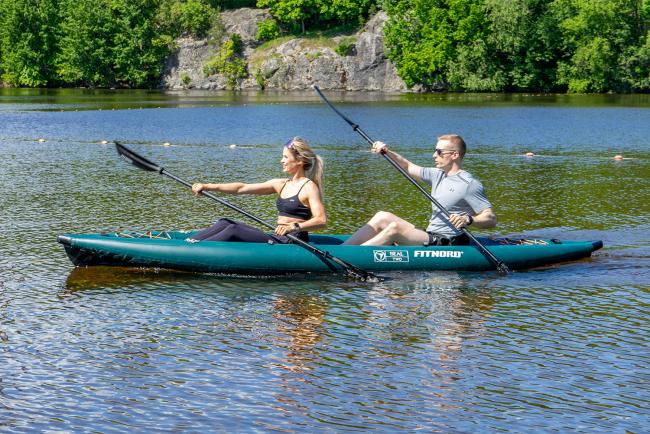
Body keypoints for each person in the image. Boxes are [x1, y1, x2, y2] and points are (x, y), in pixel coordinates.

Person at [343, 134, 496, 246]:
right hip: (430, 235)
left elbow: (490, 219)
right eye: (435, 151)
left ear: (455, 155)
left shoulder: (469, 184)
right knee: (382, 216)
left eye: (439, 152)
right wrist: (386, 151)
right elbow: (407, 166)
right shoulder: (437, 174)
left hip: (449, 241)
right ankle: (342, 250)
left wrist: (469, 219)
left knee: (395, 228)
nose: (434, 155)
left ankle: (353, 257)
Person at [187, 137, 326, 243]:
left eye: (285, 157)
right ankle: (189, 243)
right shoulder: (281, 184)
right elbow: (241, 188)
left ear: (299, 161)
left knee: (234, 230)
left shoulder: (309, 187)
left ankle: (193, 252)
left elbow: (321, 220)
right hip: (278, 236)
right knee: (225, 222)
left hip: (292, 241)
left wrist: (293, 227)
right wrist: (207, 186)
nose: (281, 161)